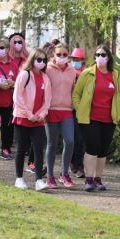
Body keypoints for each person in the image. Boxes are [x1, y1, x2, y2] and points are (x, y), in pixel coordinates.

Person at [72, 45, 120, 192]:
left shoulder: (115, 75)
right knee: (92, 147)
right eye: (97, 54)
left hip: (109, 119)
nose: (100, 57)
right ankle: (88, 179)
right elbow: (76, 94)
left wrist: (117, 111)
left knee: (102, 150)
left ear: (109, 57)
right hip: (90, 118)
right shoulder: (87, 73)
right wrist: (79, 108)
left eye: (103, 54)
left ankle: (98, 179)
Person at [13, 48, 52, 191]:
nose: (41, 63)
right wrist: (29, 114)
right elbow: (17, 97)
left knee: (38, 149)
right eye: (38, 59)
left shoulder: (45, 78)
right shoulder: (24, 75)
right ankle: (19, 178)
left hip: (38, 120)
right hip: (23, 117)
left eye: (44, 60)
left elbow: (47, 100)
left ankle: (39, 180)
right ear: (32, 59)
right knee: (21, 149)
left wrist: (41, 114)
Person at [45, 43, 77, 188]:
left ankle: (64, 174)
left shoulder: (72, 71)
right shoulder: (47, 69)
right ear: (53, 55)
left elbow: (75, 90)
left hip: (67, 110)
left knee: (70, 141)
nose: (62, 57)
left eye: (65, 55)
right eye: (59, 54)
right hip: (51, 110)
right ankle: (49, 176)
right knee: (52, 143)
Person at [70, 47, 87, 177]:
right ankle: (74, 164)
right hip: (69, 109)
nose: (75, 61)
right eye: (74, 59)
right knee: (72, 139)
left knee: (81, 139)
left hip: (83, 109)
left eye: (78, 59)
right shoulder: (69, 72)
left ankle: (79, 165)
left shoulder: (87, 74)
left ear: (83, 61)